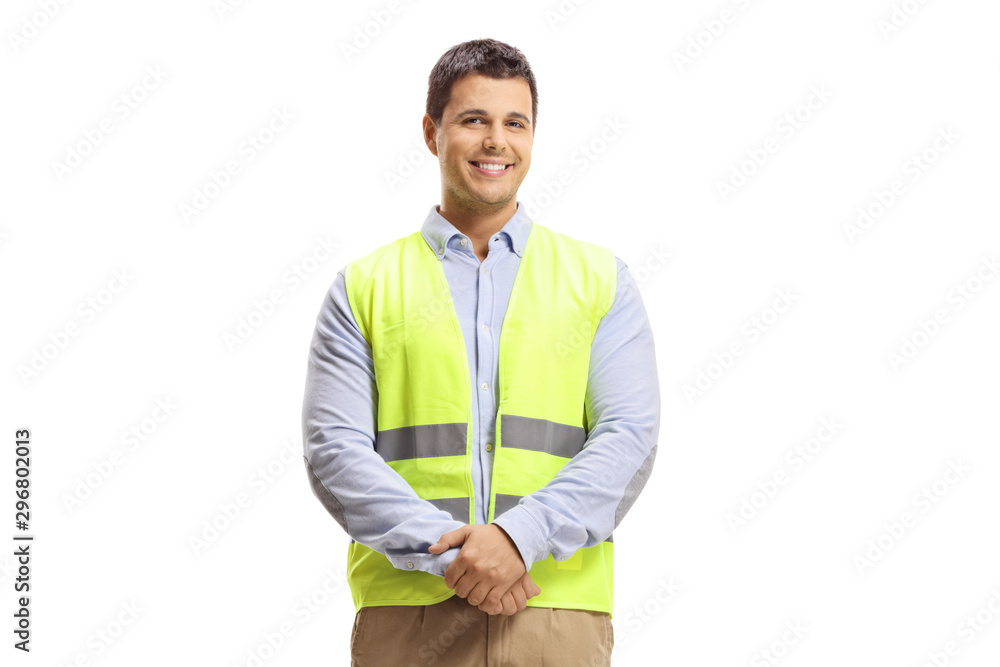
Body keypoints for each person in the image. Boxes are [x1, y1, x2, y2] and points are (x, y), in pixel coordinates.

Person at [301, 38, 660, 666]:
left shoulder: (599, 279)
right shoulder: (365, 286)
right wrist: (457, 553)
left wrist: (519, 539)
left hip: (554, 610)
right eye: (474, 120)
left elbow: (628, 437)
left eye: (514, 123)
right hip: (408, 613)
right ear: (431, 132)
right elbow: (335, 451)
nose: (497, 141)